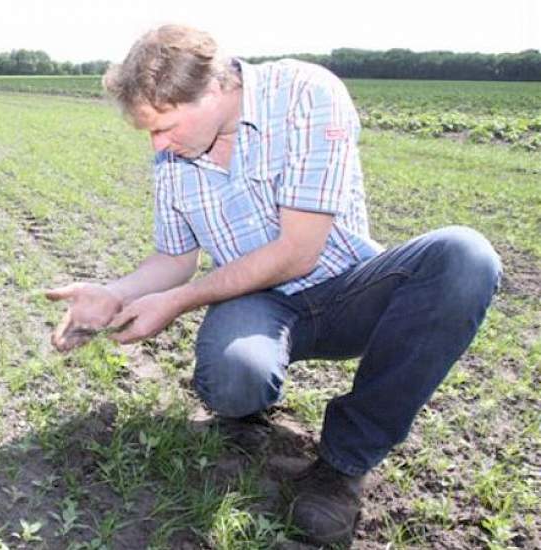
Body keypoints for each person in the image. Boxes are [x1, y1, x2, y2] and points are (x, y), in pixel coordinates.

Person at [45, 24, 502, 545]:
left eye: (164, 126)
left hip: (349, 288)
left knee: (465, 258)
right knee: (234, 376)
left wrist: (176, 302)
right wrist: (116, 292)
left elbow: (296, 252)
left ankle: (342, 467)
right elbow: (174, 259)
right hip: (257, 302)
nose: (159, 143)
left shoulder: (306, 94)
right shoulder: (175, 157)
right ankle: (248, 407)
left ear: (216, 88)